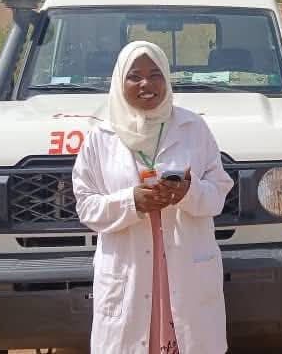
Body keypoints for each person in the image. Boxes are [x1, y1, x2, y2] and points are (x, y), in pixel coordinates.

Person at [72, 41, 234, 354]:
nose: (146, 84)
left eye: (155, 75)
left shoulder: (193, 128)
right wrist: (131, 202)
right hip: (128, 274)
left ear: (167, 80)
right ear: (120, 82)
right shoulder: (100, 138)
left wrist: (188, 191)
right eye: (135, 76)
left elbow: (218, 194)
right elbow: (87, 208)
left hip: (186, 267)